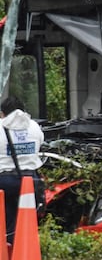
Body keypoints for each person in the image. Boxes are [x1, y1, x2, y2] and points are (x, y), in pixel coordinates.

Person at [0, 96, 45, 244]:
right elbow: (40, 144)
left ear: (3, 113)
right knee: (26, 221)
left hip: (4, 182)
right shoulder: (34, 126)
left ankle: (9, 249)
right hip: (30, 181)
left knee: (7, 222)